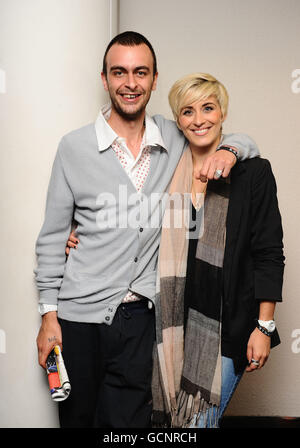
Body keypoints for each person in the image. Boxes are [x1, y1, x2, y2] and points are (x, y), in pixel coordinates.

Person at [35, 32, 260, 428]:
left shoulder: (173, 136)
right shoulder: (73, 147)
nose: (130, 83)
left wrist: (231, 150)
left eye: (141, 72)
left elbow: (231, 137)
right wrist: (48, 315)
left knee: (132, 426)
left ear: (155, 79)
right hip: (79, 316)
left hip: (143, 318)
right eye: (119, 72)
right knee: (78, 421)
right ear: (104, 79)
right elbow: (52, 237)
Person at [150, 73, 285, 428]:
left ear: (222, 112)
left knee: (197, 424)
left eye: (208, 108)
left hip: (228, 328)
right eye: (187, 111)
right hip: (171, 326)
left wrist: (264, 327)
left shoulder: (253, 172)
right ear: (177, 120)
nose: (199, 120)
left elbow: (269, 252)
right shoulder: (166, 171)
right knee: (170, 427)